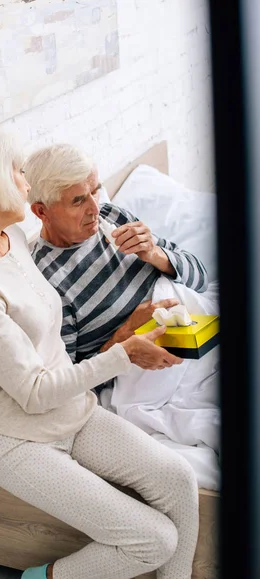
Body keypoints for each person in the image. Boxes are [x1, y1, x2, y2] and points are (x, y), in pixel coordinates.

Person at [0, 124, 198, 579]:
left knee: (180, 480)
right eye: (16, 172)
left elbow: (54, 350)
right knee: (154, 540)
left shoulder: (9, 238)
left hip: (70, 409)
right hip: (15, 438)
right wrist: (123, 352)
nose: (26, 182)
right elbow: (32, 393)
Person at [24, 144, 221, 485]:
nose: (94, 208)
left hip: (196, 325)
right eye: (77, 201)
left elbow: (201, 277)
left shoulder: (114, 217)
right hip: (148, 372)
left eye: (95, 190)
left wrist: (158, 255)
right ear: (41, 211)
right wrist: (125, 333)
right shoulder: (47, 283)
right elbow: (71, 384)